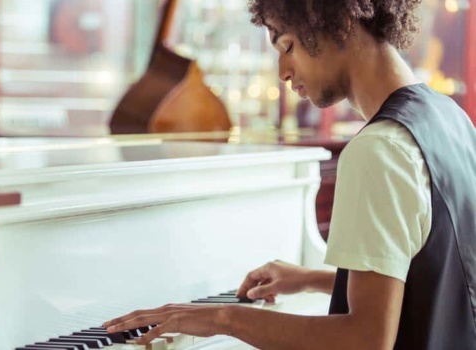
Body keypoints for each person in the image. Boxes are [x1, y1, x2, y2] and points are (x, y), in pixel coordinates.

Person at [103, 0, 476, 348]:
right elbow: (434, 286)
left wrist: (225, 318)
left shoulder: (380, 149)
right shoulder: (451, 120)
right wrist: (312, 279)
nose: (282, 71)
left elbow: (366, 338)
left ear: (339, 22)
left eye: (287, 46)